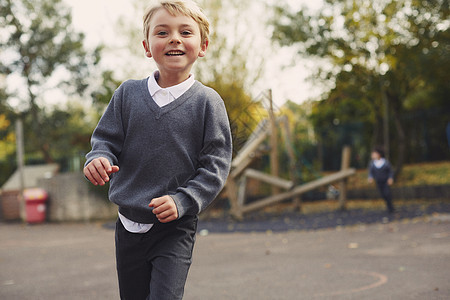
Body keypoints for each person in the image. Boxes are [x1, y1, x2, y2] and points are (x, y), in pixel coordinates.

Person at [83, 1, 232, 299]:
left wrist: (183, 199)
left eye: (185, 32)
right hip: (127, 224)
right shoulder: (127, 94)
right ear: (147, 46)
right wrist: (98, 157)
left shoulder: (208, 102)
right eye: (162, 32)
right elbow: (105, 141)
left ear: (202, 46)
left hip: (175, 226)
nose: (174, 38)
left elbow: (215, 165)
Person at [368, 147, 395, 213]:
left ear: (379, 154)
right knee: (383, 194)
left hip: (385, 181)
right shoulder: (372, 164)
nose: (372, 155)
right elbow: (371, 172)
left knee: (387, 193)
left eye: (374, 154)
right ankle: (388, 205)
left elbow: (390, 171)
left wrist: (390, 178)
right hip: (378, 181)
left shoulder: (385, 162)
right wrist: (370, 178)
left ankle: (390, 207)